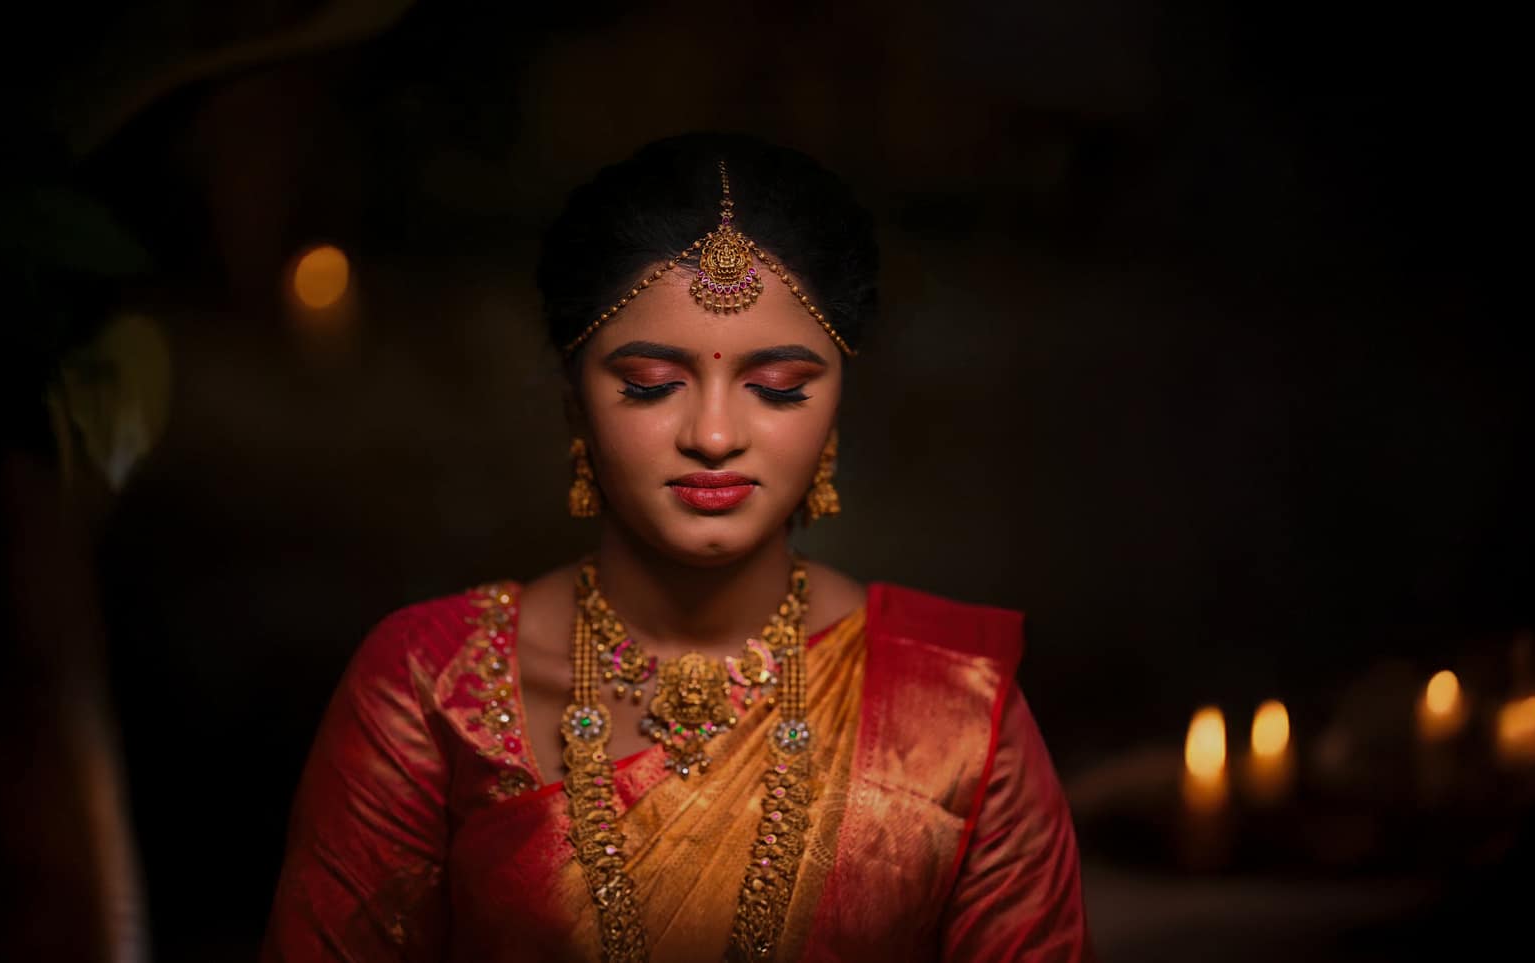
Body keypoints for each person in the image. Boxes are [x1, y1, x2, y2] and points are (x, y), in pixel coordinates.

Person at [262, 132, 1095, 962]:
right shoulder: (430, 686)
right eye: (651, 385)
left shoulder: (955, 701)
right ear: (574, 400)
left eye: (779, 389)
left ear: (837, 401)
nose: (715, 434)